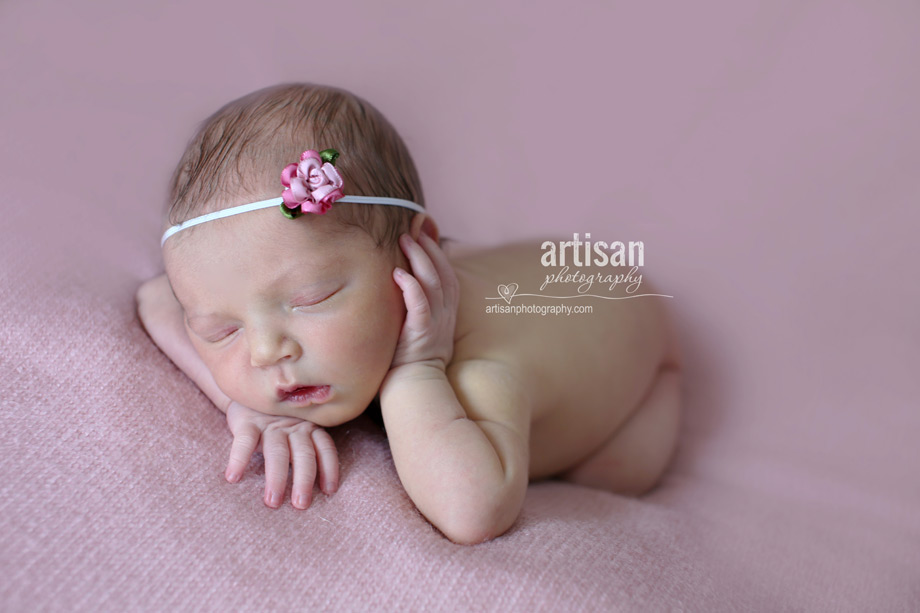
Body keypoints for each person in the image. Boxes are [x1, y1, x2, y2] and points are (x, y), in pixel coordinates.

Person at [136, 82, 683, 545]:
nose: (263, 351)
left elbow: (473, 511)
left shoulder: (479, 370)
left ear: (416, 251)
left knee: (619, 472)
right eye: (221, 330)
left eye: (312, 299)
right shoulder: (285, 314)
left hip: (626, 324)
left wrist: (416, 370)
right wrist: (240, 403)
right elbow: (156, 299)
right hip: (530, 267)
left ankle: (665, 387)